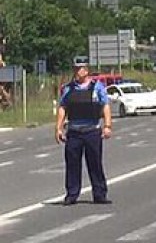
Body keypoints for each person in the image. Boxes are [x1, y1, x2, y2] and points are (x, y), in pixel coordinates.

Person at [56, 56, 113, 205]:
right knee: (72, 165)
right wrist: (58, 128)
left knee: (95, 163)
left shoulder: (97, 87)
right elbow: (63, 108)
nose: (77, 71)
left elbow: (105, 106)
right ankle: (72, 194)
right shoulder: (68, 89)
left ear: (86, 70)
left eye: (80, 68)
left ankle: (99, 194)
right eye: (75, 68)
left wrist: (107, 126)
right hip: (74, 132)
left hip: (92, 131)